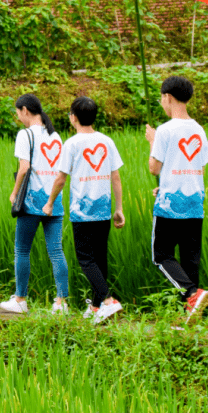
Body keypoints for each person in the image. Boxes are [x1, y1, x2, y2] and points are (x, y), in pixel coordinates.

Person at [43, 96, 125, 324]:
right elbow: (115, 176)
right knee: (99, 258)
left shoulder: (72, 144)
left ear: (74, 118)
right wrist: (118, 208)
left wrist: (49, 203)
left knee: (86, 259)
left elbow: (60, 179)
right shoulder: (107, 141)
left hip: (82, 211)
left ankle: (108, 302)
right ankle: (97, 306)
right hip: (103, 210)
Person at [146, 75, 208, 326]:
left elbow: (154, 168)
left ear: (168, 98)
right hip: (195, 201)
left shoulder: (165, 130)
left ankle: (191, 294)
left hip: (170, 205)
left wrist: (153, 142)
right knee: (190, 259)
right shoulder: (198, 129)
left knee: (161, 255)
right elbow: (200, 168)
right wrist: (167, 184)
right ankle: (191, 316)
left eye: (161, 98)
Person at [1, 94, 70, 315]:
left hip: (31, 202)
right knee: (56, 251)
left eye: (18, 112)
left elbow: (23, 167)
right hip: (53, 201)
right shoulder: (56, 136)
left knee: (22, 250)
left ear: (25, 110)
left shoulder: (25, 135)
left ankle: (20, 299)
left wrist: (13, 193)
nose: (18, 117)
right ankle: (61, 302)